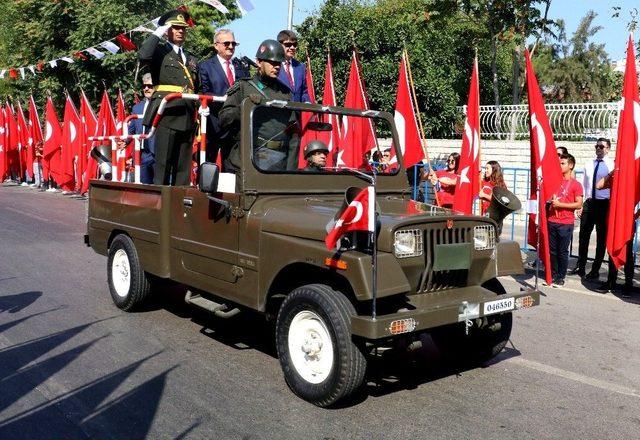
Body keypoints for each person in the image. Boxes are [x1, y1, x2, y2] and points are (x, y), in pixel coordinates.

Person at [138, 9, 199, 186]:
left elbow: (197, 85)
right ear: (168, 30)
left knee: (183, 168)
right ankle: (161, 206)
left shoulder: (191, 58)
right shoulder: (159, 52)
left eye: (183, 28)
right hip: (168, 113)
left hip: (187, 115)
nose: (181, 31)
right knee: (163, 164)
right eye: (176, 27)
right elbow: (143, 55)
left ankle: (179, 207)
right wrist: (158, 33)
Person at [219, 39, 293, 173]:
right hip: (252, 157)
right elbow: (224, 119)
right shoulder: (243, 87)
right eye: (272, 62)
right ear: (259, 62)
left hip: (280, 158)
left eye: (279, 63)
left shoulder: (285, 92)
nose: (276, 67)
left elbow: (293, 128)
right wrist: (244, 107)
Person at [198, 29, 250, 163]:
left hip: (235, 127)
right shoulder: (205, 66)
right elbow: (205, 92)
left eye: (234, 43)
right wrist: (227, 101)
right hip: (213, 124)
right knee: (208, 168)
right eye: (227, 43)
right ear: (216, 45)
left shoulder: (240, 67)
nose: (231, 47)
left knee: (232, 170)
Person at [571, 138, 614, 279]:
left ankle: (595, 270)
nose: (599, 149)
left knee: (601, 239)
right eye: (597, 146)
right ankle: (581, 266)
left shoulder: (611, 165)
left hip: (604, 204)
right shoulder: (589, 164)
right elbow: (584, 185)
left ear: (608, 148)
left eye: (602, 146)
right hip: (590, 203)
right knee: (583, 236)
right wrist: (581, 204)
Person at [594, 170, 637, 296]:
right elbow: (599, 185)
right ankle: (610, 281)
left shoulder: (632, 179)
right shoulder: (615, 178)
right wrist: (613, 172)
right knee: (612, 250)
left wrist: (635, 215)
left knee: (627, 253)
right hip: (613, 220)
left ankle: (628, 284)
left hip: (627, 221)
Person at [547, 153, 583, 287]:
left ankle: (561, 277)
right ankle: (553, 275)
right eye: (559, 163)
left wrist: (560, 205)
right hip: (552, 220)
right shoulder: (554, 182)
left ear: (571, 165)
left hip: (565, 223)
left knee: (562, 251)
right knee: (552, 251)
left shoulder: (576, 185)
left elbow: (579, 204)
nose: (559, 166)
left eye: (562, 163)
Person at [128, 73, 156, 184]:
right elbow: (132, 129)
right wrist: (124, 141)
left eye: (150, 86)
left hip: (158, 154)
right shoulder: (137, 108)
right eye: (144, 86)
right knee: (144, 187)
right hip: (143, 154)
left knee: (160, 187)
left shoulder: (163, 105)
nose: (146, 89)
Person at [276, 30, 310, 103]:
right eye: (288, 44)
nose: (292, 47)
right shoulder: (273, 65)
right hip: (278, 111)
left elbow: (304, 92)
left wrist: (307, 102)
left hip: (297, 112)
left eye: (295, 45)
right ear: (279, 45)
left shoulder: (301, 67)